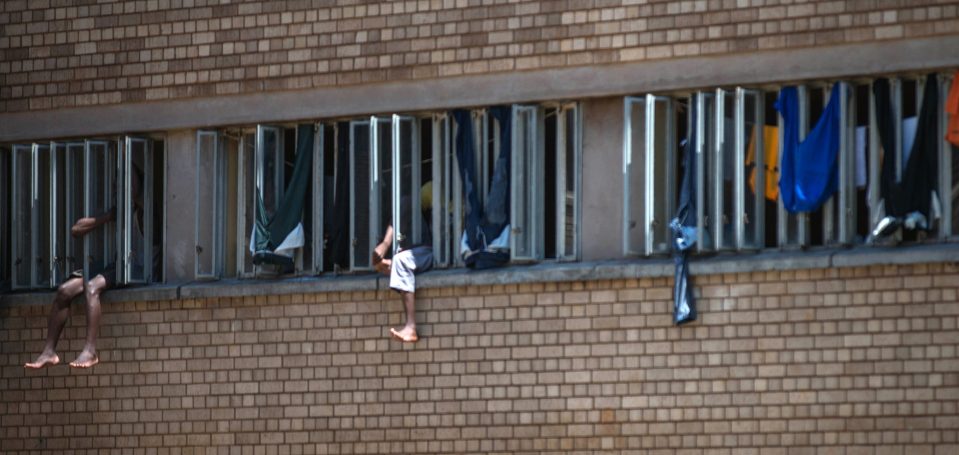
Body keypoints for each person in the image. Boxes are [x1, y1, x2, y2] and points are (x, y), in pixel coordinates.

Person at [25, 166, 149, 369]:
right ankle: (49, 352)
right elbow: (76, 229)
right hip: (115, 264)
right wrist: (108, 216)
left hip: (135, 268)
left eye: (129, 181)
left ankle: (90, 351)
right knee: (65, 290)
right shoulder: (114, 210)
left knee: (92, 287)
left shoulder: (142, 212)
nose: (123, 186)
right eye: (119, 182)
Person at [372, 183, 434, 343]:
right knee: (400, 261)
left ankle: (411, 327)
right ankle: (410, 327)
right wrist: (386, 244)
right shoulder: (432, 189)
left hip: (454, 251)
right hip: (434, 249)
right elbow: (406, 205)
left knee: (401, 262)